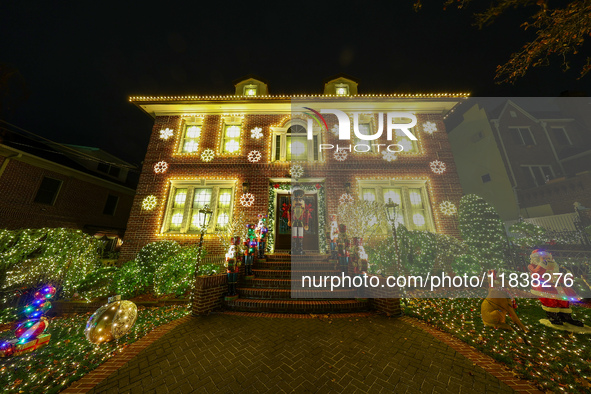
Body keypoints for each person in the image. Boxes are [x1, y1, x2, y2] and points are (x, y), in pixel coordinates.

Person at [528, 249, 584, 327]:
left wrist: (566, 277)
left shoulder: (555, 265)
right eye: (543, 257)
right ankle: (553, 317)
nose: (546, 259)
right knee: (550, 302)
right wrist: (543, 263)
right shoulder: (532, 266)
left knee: (563, 301)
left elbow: (558, 275)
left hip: (556, 286)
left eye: (547, 257)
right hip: (544, 287)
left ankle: (566, 317)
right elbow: (537, 273)